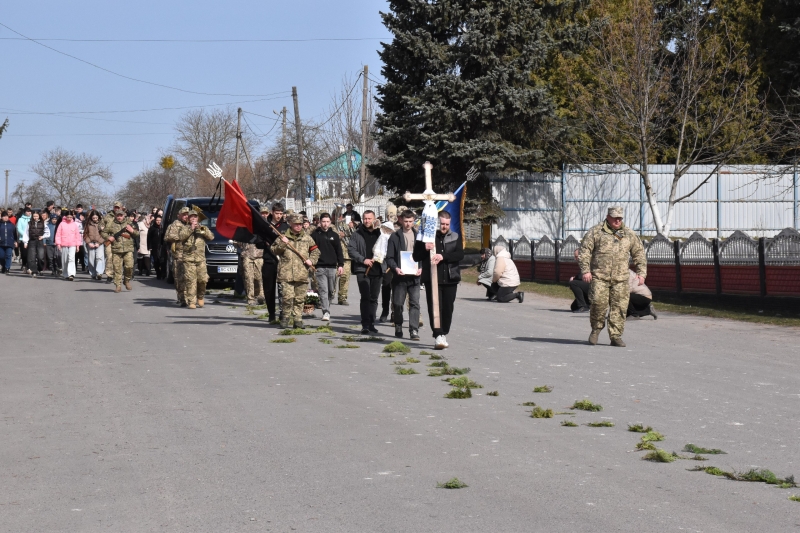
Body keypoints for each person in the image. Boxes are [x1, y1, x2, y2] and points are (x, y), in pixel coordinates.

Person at [578, 206, 647, 347]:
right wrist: (585, 271)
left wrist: (641, 273)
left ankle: (615, 336)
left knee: (619, 307)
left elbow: (639, 253)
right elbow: (584, 252)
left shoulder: (628, 234)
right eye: (615, 217)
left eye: (620, 218)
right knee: (598, 304)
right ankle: (596, 330)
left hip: (621, 279)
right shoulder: (596, 232)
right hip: (599, 277)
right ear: (608, 217)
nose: (617, 220)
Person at [413, 211, 464, 350]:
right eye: (442, 224)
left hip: (450, 278)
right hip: (432, 279)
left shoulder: (455, 236)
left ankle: (444, 333)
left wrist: (443, 256)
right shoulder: (426, 237)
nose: (444, 227)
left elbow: (460, 254)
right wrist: (424, 248)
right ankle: (438, 334)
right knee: (434, 307)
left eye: (447, 224)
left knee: (448, 308)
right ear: (437, 223)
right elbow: (416, 256)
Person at [271, 214, 320, 329]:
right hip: (286, 273)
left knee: (299, 299)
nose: (298, 226)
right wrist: (283, 243)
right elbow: (274, 250)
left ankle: (298, 319)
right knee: (287, 298)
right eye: (296, 224)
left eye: (300, 224)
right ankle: (285, 318)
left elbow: (316, 251)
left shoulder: (307, 238)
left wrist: (311, 261)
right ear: (291, 224)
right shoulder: (282, 236)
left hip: (302, 273)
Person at [385, 210, 422, 340]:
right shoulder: (395, 237)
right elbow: (389, 257)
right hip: (400, 277)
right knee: (398, 303)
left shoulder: (419, 236)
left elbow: (423, 256)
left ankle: (414, 330)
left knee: (415, 303)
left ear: (413, 221)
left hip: (415, 277)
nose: (408, 224)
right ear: (401, 221)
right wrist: (396, 268)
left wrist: (421, 268)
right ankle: (398, 325)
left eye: (410, 222)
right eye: (405, 221)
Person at [348, 210, 383, 334]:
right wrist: (363, 260)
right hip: (362, 269)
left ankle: (372, 322)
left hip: (377, 269)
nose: (367, 221)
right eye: (365, 218)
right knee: (366, 297)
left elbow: (386, 248)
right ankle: (365, 324)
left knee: (374, 298)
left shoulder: (381, 233)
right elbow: (351, 250)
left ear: (374, 219)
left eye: (369, 218)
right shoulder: (357, 234)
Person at [177, 210, 214, 309]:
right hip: (189, 259)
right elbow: (181, 237)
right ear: (188, 219)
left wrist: (200, 229)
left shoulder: (202, 228)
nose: (193, 219)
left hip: (200, 259)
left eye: (195, 217)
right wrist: (191, 229)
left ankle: (200, 296)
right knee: (190, 280)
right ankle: (191, 301)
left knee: (203, 279)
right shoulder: (185, 228)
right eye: (191, 217)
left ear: (198, 218)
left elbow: (210, 237)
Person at [311, 212, 344, 322]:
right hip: (320, 267)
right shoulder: (315, 235)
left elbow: (339, 251)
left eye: (327, 222)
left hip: (332, 267)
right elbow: (311, 250)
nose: (325, 224)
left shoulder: (334, 235)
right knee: (323, 290)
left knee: (330, 290)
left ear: (330, 222)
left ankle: (327, 305)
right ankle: (326, 311)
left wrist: (341, 265)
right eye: (323, 222)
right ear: (320, 222)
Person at [260, 203, 289, 321]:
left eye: (281, 214)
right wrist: (264, 243)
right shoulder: (265, 225)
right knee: (269, 288)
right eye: (277, 213)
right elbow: (258, 241)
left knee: (283, 288)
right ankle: (271, 313)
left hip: (282, 261)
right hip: (269, 259)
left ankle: (283, 312)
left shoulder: (285, 227)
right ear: (272, 212)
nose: (279, 216)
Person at [102, 209, 139, 292]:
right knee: (117, 268)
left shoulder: (129, 223)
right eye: (118, 215)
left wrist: (132, 230)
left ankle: (127, 280)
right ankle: (118, 285)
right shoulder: (111, 223)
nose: (119, 217)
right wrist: (108, 237)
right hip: (116, 249)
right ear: (115, 216)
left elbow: (137, 234)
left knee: (129, 266)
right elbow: (103, 232)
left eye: (121, 215)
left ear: (124, 216)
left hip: (128, 249)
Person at [164, 207, 190, 306]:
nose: (186, 216)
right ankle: (182, 298)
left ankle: (190, 297)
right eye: (184, 214)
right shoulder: (174, 225)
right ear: (179, 215)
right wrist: (181, 236)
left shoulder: (191, 225)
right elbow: (167, 237)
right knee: (179, 278)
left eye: (187, 214)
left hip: (190, 255)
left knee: (190, 277)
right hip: (179, 255)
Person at [334, 208, 355, 305]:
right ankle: (330, 295)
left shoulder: (346, 226)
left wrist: (351, 228)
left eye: (340, 216)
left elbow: (355, 237)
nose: (339, 218)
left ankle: (342, 297)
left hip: (346, 255)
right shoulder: (330, 226)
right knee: (333, 278)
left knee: (345, 277)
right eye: (336, 216)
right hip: (333, 256)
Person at [55, 210, 83, 281]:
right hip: (63, 244)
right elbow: (58, 235)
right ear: (65, 217)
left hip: (72, 244)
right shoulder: (61, 224)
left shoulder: (74, 224)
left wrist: (77, 245)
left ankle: (71, 274)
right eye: (68, 217)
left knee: (71, 259)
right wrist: (58, 243)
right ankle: (65, 274)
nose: (69, 218)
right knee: (65, 260)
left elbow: (77, 236)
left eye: (71, 217)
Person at [238, 238, 265, 306]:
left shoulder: (260, 231)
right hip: (247, 257)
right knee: (249, 278)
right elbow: (237, 243)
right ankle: (251, 298)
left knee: (259, 278)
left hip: (259, 256)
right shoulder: (243, 232)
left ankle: (260, 295)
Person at [102, 201, 124, 282]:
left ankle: (117, 275)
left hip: (120, 240)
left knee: (119, 258)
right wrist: (107, 237)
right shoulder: (107, 216)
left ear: (121, 208)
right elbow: (101, 227)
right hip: (109, 239)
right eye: (115, 207)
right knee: (109, 257)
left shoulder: (124, 216)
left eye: (118, 207)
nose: (117, 209)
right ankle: (109, 275)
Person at [23, 211, 49, 277]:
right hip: (32, 241)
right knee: (32, 257)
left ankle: (40, 269)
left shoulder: (43, 223)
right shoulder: (29, 223)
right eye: (34, 216)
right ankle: (34, 271)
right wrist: (25, 242)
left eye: (36, 216)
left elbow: (48, 233)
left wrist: (43, 236)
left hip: (40, 241)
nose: (35, 218)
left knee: (40, 257)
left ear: (39, 216)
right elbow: (26, 233)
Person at [83, 210, 105, 280]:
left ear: (98, 217)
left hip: (100, 243)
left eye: (96, 218)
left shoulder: (102, 224)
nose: (95, 219)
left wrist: (99, 242)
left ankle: (99, 273)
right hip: (91, 243)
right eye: (93, 218)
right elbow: (85, 234)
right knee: (91, 259)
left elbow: (105, 234)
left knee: (99, 257)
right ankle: (93, 273)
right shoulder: (88, 224)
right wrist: (88, 242)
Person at [148, 214, 164, 279]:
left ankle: (163, 273)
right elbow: (149, 238)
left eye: (160, 220)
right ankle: (158, 274)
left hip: (162, 246)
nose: (158, 222)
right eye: (157, 220)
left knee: (162, 260)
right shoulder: (152, 228)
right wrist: (149, 247)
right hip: (154, 247)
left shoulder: (163, 228)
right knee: (156, 260)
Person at [15, 207, 31, 271]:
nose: (29, 212)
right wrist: (25, 235)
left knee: (30, 253)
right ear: (24, 212)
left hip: (31, 238)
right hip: (23, 239)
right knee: (24, 253)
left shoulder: (32, 219)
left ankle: (29, 266)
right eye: (27, 211)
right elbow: (19, 229)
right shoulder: (20, 219)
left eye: (30, 211)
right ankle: (24, 264)